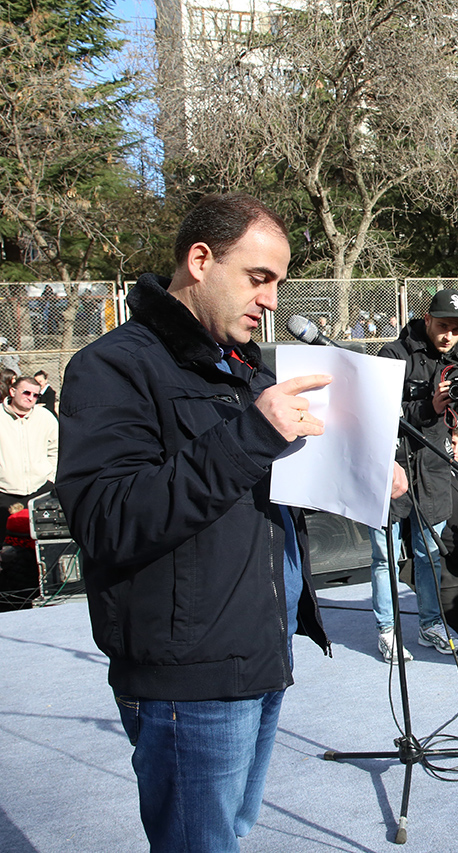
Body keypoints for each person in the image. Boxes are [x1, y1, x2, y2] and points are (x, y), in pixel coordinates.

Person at [58, 194, 409, 849]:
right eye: (259, 277)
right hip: (185, 678)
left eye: (277, 281)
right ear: (199, 260)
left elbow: (248, 495)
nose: (273, 299)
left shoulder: (244, 370)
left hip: (260, 655)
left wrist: (359, 474)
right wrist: (253, 434)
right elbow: (108, 519)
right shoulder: (112, 367)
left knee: (231, 832)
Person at [374, 287, 458, 655]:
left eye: (457, 329)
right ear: (427, 319)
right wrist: (428, 407)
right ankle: (386, 628)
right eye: (443, 326)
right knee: (385, 554)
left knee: (429, 550)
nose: (449, 335)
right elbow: (382, 414)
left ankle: (429, 623)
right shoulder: (394, 355)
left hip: (433, 466)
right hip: (391, 464)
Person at [0, 375, 58, 526]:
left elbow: (56, 449)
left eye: (35, 395)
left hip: (40, 490)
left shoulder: (46, 418)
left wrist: (51, 476)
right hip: (4, 492)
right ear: (13, 392)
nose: (31, 398)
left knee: (40, 541)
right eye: (26, 392)